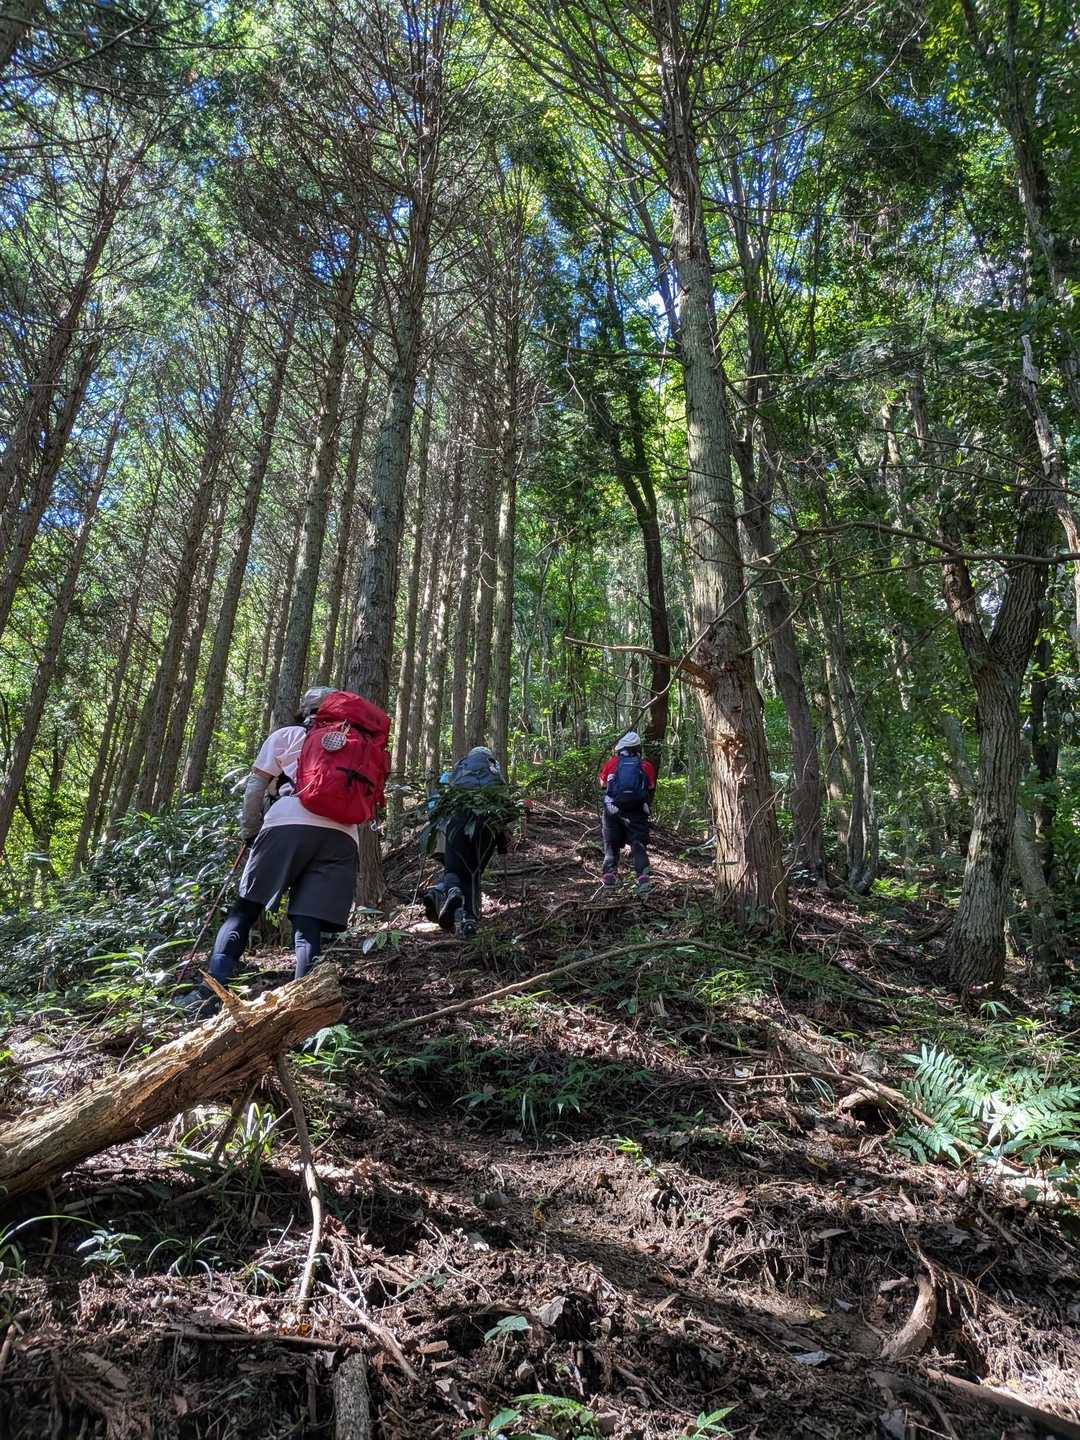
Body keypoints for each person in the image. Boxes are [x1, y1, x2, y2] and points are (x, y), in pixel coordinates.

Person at [176, 685, 387, 1017]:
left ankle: (210, 994)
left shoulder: (288, 736)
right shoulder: (360, 745)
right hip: (344, 835)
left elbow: (256, 786)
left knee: (245, 909)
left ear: (307, 710)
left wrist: (250, 830)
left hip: (288, 822)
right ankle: (305, 1008)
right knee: (308, 923)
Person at [422, 746, 511, 939]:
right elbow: (504, 809)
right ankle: (468, 921)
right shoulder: (494, 770)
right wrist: (502, 843)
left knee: (454, 870)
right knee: (473, 874)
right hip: (487, 825)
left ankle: (450, 891)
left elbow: (442, 802)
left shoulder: (459, 768)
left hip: (458, 821)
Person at [598, 730, 656, 894]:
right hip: (637, 810)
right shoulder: (645, 765)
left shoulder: (612, 763)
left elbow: (602, 784)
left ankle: (609, 877)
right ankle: (643, 879)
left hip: (612, 810)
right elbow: (651, 786)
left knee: (611, 845)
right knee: (638, 845)